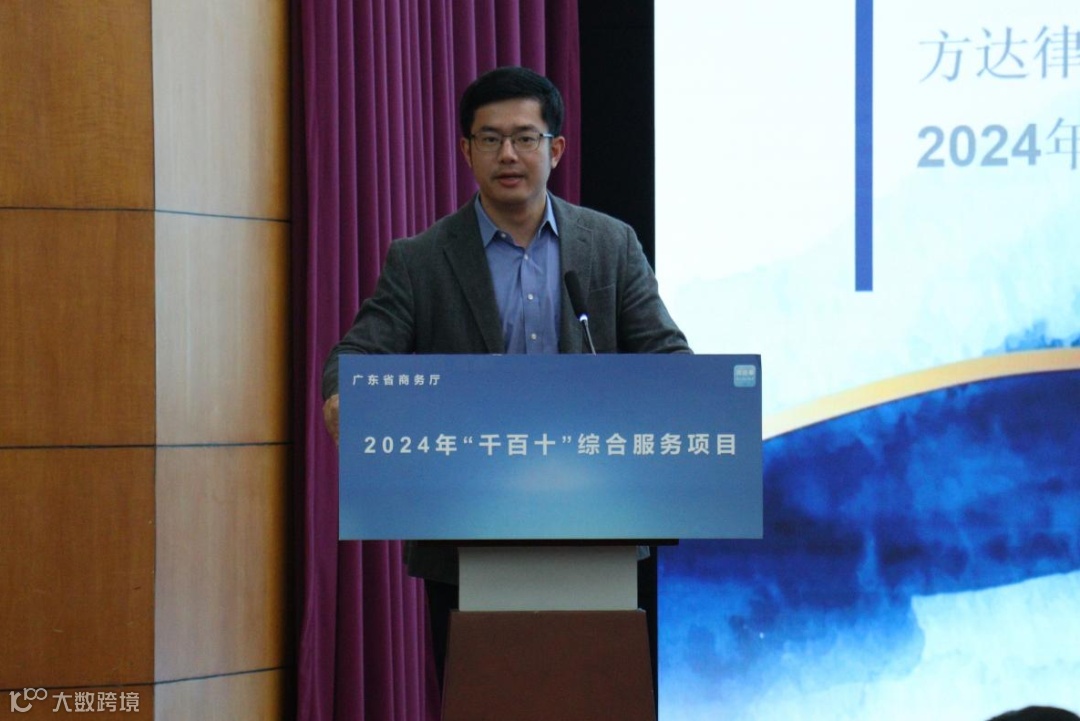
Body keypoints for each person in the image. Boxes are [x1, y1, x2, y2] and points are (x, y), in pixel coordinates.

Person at [321, 65, 690, 686]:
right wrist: (343, 397)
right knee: (485, 694)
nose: (508, 155)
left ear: (556, 149)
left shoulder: (610, 245)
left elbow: (668, 358)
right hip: (465, 527)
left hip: (597, 519)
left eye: (524, 138)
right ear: (467, 151)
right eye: (490, 139)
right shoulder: (421, 259)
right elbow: (356, 356)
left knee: (594, 695)